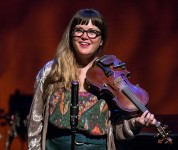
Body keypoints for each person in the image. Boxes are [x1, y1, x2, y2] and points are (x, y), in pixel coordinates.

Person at [27, 8, 156, 150]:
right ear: (71, 35)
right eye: (79, 30)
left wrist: (136, 123)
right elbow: (35, 120)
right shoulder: (51, 71)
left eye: (92, 32)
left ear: (101, 40)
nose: (85, 36)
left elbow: (117, 131)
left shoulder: (111, 77)